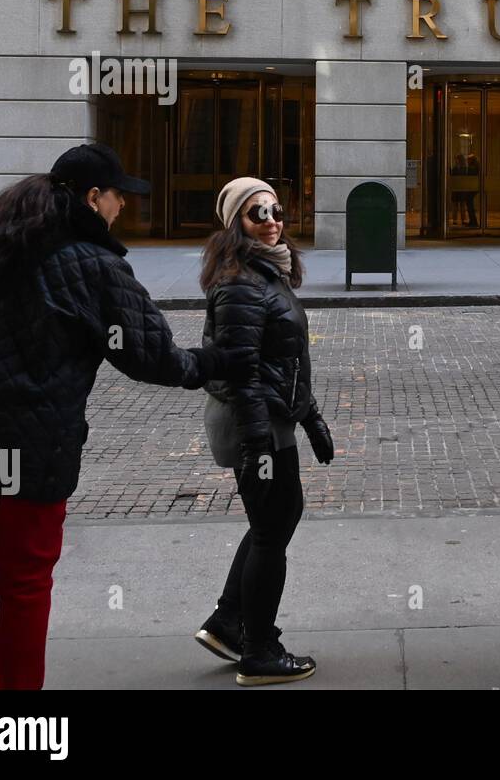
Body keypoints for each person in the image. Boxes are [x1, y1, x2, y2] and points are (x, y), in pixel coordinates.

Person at [0, 143, 245, 690]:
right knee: (23, 584)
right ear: (95, 198)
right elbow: (151, 356)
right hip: (33, 442)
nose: (124, 209)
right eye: (120, 198)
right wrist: (214, 362)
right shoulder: (96, 265)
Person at [195, 177, 337, 685]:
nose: (273, 220)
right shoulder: (238, 282)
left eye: (277, 209)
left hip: (272, 419)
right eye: (259, 213)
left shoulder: (266, 273)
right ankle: (259, 650)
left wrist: (311, 418)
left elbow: (286, 363)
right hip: (251, 424)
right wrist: (260, 445)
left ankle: (228, 623)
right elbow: (240, 370)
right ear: (238, 223)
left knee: (275, 519)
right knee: (272, 530)